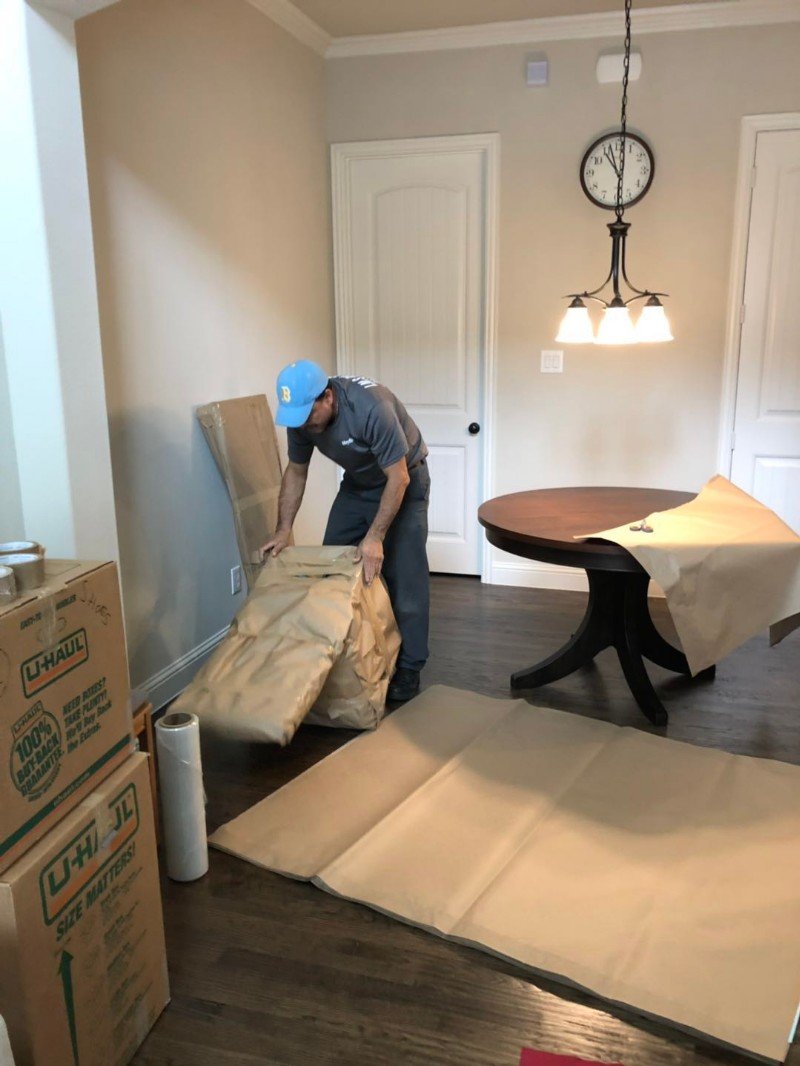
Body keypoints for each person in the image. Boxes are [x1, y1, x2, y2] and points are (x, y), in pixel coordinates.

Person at [261, 359, 430, 703]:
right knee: (332, 568)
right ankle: (346, 652)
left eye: (309, 415)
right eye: (297, 417)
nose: (303, 424)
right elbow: (296, 471)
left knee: (404, 576)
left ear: (328, 397)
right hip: (358, 484)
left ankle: (410, 666)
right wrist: (283, 529)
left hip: (404, 480)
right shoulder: (301, 417)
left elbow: (398, 478)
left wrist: (375, 537)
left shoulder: (371, 408)